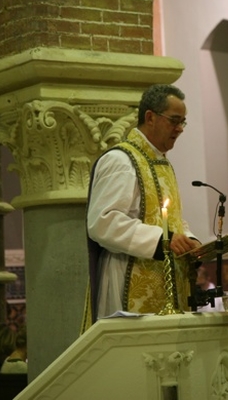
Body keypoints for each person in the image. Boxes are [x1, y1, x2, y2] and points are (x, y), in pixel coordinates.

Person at [86, 84, 201, 323]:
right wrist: (162, 240)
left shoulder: (163, 163)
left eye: (183, 122)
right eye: (174, 120)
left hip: (166, 280)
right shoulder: (120, 160)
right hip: (127, 276)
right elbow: (103, 222)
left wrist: (188, 239)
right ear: (150, 117)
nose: (180, 129)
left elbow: (170, 218)